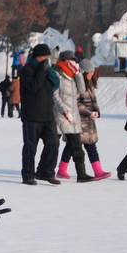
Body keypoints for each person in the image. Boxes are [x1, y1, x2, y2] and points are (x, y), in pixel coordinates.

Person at [58, 57, 109, 181]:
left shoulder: (89, 86)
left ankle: (98, 171)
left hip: (89, 123)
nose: (92, 74)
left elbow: (93, 102)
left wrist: (96, 112)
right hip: (78, 122)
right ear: (84, 72)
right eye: (90, 72)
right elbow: (75, 103)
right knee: (72, 146)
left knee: (91, 146)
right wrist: (88, 112)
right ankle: (61, 169)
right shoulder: (76, 85)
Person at [19, 43, 60, 185]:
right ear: (38, 57)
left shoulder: (48, 71)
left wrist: (51, 73)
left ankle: (45, 171)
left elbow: (55, 86)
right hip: (31, 115)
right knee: (30, 147)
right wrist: (42, 71)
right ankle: (28, 175)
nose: (47, 61)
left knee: (53, 142)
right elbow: (33, 87)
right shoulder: (27, 70)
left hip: (48, 114)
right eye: (45, 58)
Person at [51, 51, 94, 182]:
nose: (74, 63)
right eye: (72, 61)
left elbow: (81, 90)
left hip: (72, 116)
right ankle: (47, 171)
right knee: (53, 145)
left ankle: (81, 174)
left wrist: (78, 74)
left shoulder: (74, 74)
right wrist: (63, 110)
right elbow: (54, 95)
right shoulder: (57, 73)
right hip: (59, 114)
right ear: (65, 61)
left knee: (77, 147)